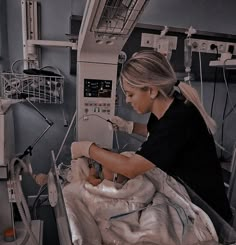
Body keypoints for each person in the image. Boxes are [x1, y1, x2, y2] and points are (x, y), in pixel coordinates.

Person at [71, 50, 232, 223]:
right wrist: (130, 127)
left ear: (152, 91)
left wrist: (87, 148)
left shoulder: (179, 119)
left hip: (209, 214)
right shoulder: (169, 108)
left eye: (131, 94)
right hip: (187, 195)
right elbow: (159, 135)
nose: (127, 100)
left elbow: (130, 167)